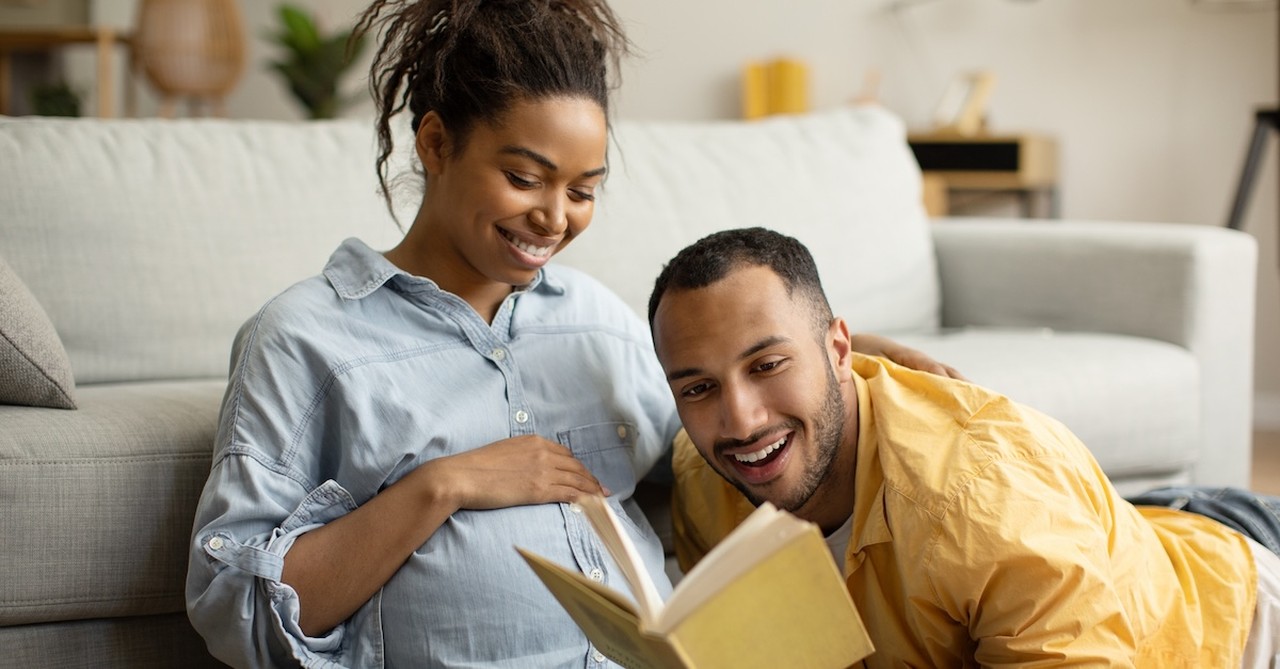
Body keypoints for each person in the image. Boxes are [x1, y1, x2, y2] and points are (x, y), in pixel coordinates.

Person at [184, 3, 946, 667]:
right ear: (437, 144)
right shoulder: (304, 338)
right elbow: (233, 610)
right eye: (525, 178)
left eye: (583, 190)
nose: (556, 218)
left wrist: (856, 354)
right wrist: (445, 486)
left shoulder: (596, 317)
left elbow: (723, 412)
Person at [648, 226, 1280, 667]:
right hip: (1125, 534)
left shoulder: (979, 502)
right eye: (700, 387)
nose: (740, 421)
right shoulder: (705, 483)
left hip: (1242, 605)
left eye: (768, 365)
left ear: (839, 350)